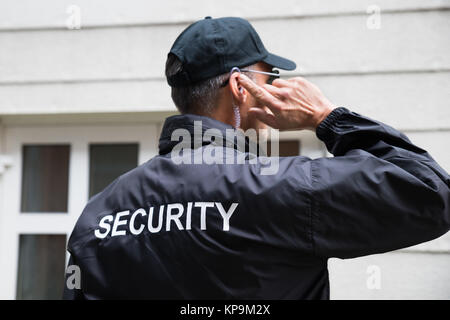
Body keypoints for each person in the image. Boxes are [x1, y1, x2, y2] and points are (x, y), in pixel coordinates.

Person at [63, 16, 450, 299]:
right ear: (240, 87)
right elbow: (431, 192)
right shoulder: (282, 186)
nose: (277, 88)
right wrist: (326, 117)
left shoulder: (98, 213)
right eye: (271, 78)